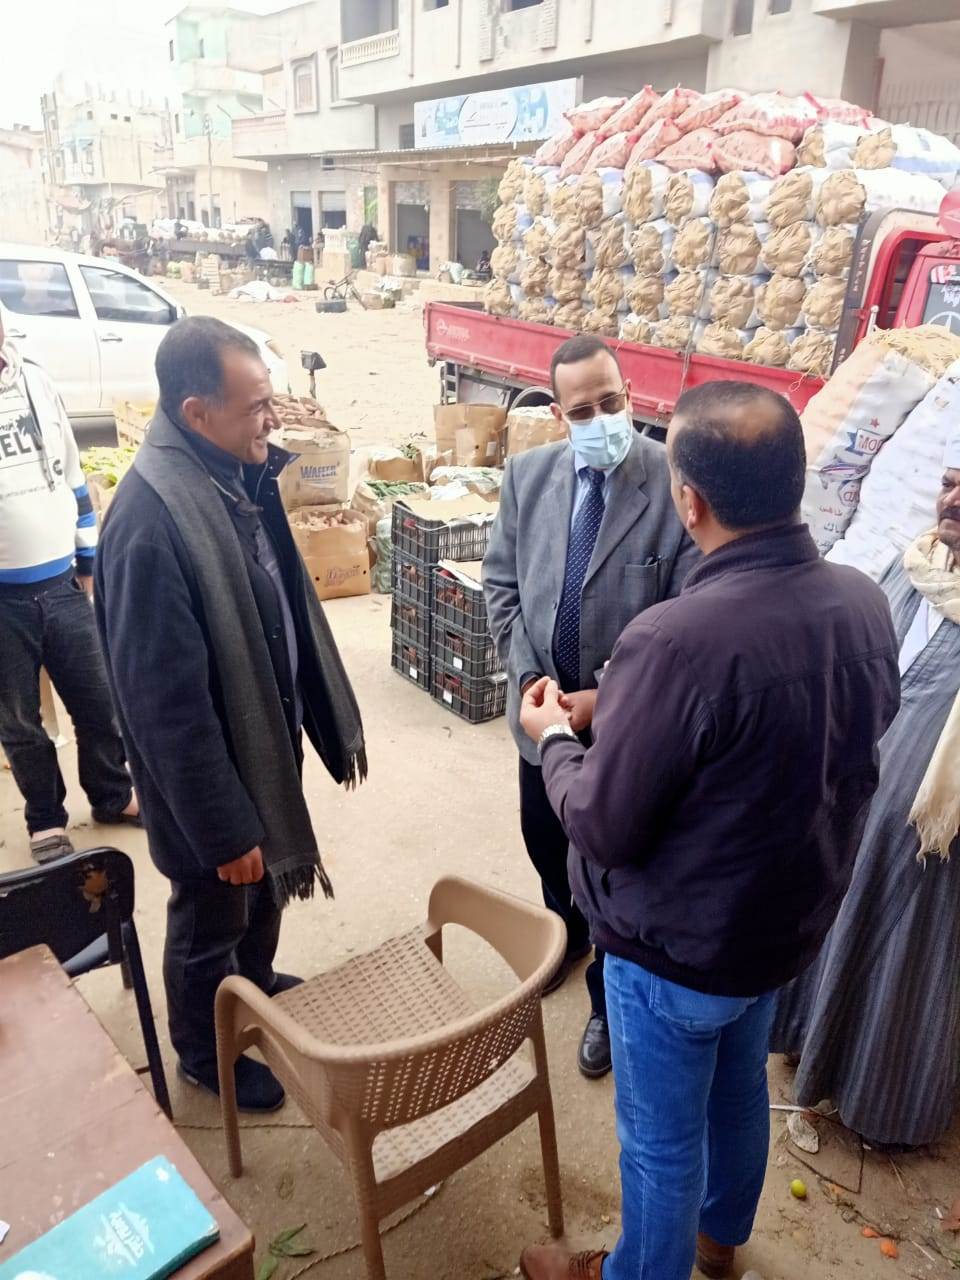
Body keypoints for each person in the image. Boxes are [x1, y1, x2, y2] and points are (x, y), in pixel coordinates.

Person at [516, 381, 900, 1280]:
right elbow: (785, 723)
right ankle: (719, 1244)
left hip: (675, 951)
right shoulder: (861, 601)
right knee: (735, 1097)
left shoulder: (675, 639)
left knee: (659, 1145)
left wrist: (556, 740)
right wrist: (619, 703)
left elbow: (604, 826)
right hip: (777, 930)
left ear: (689, 501)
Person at [94, 317, 367, 1113]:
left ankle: (253, 982)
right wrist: (222, 829)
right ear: (196, 412)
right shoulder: (151, 524)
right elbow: (164, 709)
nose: (271, 420)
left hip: (259, 745)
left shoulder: (229, 475)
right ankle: (203, 1051)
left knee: (261, 894)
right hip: (206, 780)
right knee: (211, 912)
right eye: (255, 408)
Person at [483, 335, 699, 1080]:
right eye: (582, 411)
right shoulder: (529, 476)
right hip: (540, 716)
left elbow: (685, 617)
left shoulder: (672, 486)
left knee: (614, 870)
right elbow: (502, 586)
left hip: (625, 729)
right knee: (545, 840)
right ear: (558, 414)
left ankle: (607, 1000)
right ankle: (564, 935)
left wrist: (605, 699)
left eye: (611, 402)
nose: (601, 419)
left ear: (629, 395)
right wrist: (528, 680)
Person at [772, 433, 960, 1150]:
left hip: (934, 851)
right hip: (859, 810)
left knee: (907, 962)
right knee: (834, 922)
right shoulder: (913, 571)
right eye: (949, 482)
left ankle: (883, 1105)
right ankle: (809, 1047)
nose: (953, 502)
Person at [0, 307, 139, 863]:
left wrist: (88, 558)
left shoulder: (35, 381)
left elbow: (74, 475)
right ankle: (45, 820)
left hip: (63, 584)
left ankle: (113, 795)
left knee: (99, 701)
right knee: (19, 722)